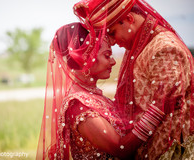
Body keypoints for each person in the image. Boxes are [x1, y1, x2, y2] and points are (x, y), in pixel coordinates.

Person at [73, 0, 194, 159]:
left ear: (129, 19)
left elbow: (166, 115)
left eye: (112, 32)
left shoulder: (164, 48)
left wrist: (131, 152)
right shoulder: (140, 46)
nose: (113, 42)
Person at [36, 22, 169, 160]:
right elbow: (120, 149)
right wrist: (156, 109)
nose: (113, 61)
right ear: (86, 59)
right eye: (107, 55)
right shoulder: (79, 105)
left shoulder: (91, 95)